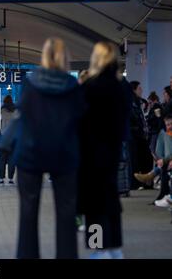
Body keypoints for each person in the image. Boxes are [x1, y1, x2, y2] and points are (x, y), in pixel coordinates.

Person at [14, 38, 85, 259]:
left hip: (30, 154)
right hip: (64, 154)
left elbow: (23, 116)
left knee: (28, 213)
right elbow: (81, 120)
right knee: (66, 213)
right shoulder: (73, 86)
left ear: (43, 57)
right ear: (65, 58)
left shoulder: (30, 84)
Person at [78, 42, 130, 259]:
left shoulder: (89, 87)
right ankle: (115, 247)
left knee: (94, 204)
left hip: (91, 155)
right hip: (113, 152)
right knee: (111, 199)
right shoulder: (122, 87)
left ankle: (98, 247)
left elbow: (80, 122)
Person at [129, 81, 153, 189]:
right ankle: (138, 182)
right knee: (138, 159)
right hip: (135, 136)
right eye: (139, 88)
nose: (141, 90)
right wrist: (139, 129)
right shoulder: (131, 102)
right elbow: (133, 120)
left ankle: (146, 181)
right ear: (134, 90)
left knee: (146, 158)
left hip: (140, 135)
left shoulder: (138, 102)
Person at [0, 95, 17, 184]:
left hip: (2, 138)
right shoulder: (16, 111)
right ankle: (11, 179)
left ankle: (1, 179)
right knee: (12, 159)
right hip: (13, 139)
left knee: (2, 160)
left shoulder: (0, 111)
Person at [152, 114, 172, 207]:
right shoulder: (167, 134)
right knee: (164, 167)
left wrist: (164, 160)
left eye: (171, 124)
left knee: (164, 166)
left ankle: (152, 173)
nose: (170, 126)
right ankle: (167, 196)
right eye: (167, 125)